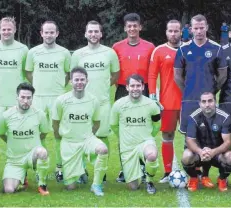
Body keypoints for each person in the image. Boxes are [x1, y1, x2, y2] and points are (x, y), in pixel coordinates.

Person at [174, 14, 227, 186]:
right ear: (190, 29)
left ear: (206, 28)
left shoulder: (217, 49)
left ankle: (205, 175)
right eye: (195, 28)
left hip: (208, 103)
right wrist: (188, 92)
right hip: (189, 102)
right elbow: (177, 76)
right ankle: (193, 175)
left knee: (210, 136)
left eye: (201, 27)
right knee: (190, 138)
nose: (198, 31)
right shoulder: (183, 49)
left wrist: (211, 92)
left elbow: (222, 75)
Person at [70, 20, 119, 183]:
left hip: (103, 103)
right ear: (85, 34)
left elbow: (114, 76)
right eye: (90, 31)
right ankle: (81, 170)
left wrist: (102, 88)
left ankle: (102, 172)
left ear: (101, 34)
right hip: (81, 104)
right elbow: (73, 77)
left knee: (102, 136)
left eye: (96, 31)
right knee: (80, 136)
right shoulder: (77, 54)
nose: (93, 34)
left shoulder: (110, 53)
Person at [25, 20, 71, 182]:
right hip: (38, 98)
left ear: (57, 34)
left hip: (58, 98)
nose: (49, 35)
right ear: (41, 33)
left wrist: (58, 88)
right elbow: (29, 73)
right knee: (38, 133)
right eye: (46, 32)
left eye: (52, 32)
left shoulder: (64, 53)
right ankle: (40, 167)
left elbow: (68, 74)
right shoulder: (33, 52)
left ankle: (60, 168)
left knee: (60, 134)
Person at [52, 67, 109, 196]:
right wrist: (59, 135)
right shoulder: (61, 100)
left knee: (103, 149)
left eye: (82, 79)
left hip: (87, 139)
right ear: (71, 81)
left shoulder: (93, 100)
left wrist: (89, 136)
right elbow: (55, 122)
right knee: (70, 187)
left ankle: (96, 185)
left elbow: (97, 122)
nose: (79, 82)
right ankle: (79, 171)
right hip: (69, 142)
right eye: (76, 79)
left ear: (87, 81)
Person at [112, 13, 155, 182]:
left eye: (135, 26)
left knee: (142, 128)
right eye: (129, 26)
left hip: (143, 90)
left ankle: (142, 166)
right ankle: (126, 168)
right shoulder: (116, 47)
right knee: (124, 130)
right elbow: (115, 71)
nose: (132, 29)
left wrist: (150, 92)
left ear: (140, 27)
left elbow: (152, 72)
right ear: (125, 28)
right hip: (123, 90)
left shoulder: (150, 47)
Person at [110, 74, 162, 194]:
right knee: (133, 187)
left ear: (143, 87)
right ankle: (140, 170)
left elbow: (157, 125)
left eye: (138, 85)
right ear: (127, 87)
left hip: (145, 142)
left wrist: (149, 137)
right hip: (127, 148)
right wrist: (123, 137)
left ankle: (149, 181)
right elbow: (114, 125)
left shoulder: (151, 105)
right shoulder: (118, 105)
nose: (135, 88)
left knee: (152, 155)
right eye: (132, 86)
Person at [0, 83, 51, 195]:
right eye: (22, 97)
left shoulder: (40, 114)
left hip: (32, 155)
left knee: (42, 152)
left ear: (32, 98)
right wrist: (14, 142)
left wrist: (34, 144)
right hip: (14, 160)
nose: (25, 101)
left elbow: (44, 133)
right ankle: (22, 179)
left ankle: (42, 184)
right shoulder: (6, 116)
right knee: (8, 190)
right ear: (17, 97)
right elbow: (1, 134)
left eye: (29, 98)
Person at [148, 19, 183, 183]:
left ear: (181, 32)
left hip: (188, 102)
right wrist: (153, 98)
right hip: (167, 102)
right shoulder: (159, 51)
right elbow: (152, 75)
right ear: (166, 32)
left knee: (192, 137)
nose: (173, 34)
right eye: (170, 31)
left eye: (176, 31)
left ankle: (195, 171)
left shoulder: (189, 49)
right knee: (167, 135)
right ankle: (168, 171)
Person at [181, 92, 231, 192]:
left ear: (215, 102)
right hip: (199, 153)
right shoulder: (193, 117)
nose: (207, 104)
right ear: (199, 103)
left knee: (230, 156)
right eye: (204, 101)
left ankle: (222, 179)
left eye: (210, 101)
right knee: (186, 156)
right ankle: (194, 178)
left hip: (217, 154)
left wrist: (213, 152)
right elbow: (189, 140)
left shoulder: (225, 117)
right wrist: (200, 151)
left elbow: (228, 143)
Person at [0, 17, 29, 110]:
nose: (6, 32)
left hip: (16, 100)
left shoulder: (23, 49)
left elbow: (25, 71)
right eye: (3, 29)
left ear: (15, 30)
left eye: (9, 29)